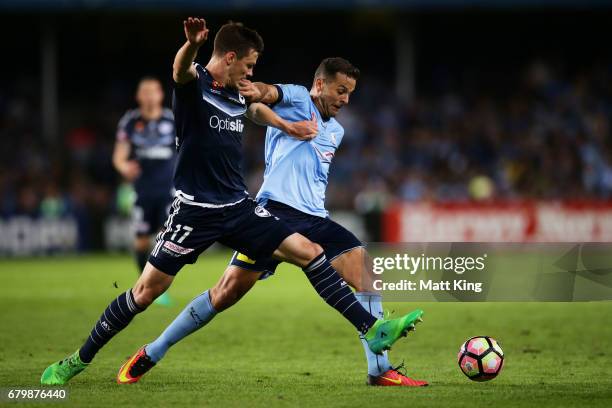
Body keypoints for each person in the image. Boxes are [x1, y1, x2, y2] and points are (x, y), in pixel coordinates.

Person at [41, 17, 420, 386]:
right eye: (249, 65)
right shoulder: (197, 86)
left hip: (239, 207)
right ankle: (78, 360)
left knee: (309, 251)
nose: (251, 74)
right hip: (194, 210)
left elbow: (255, 106)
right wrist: (192, 44)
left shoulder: (239, 94)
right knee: (146, 293)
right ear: (229, 58)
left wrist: (284, 126)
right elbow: (181, 71)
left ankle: (372, 330)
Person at [118, 57, 427, 387]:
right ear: (320, 84)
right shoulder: (297, 98)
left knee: (368, 276)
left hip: (314, 218)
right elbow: (263, 98)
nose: (345, 99)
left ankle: (379, 370)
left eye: (350, 93)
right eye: (340, 90)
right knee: (225, 293)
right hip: (273, 215)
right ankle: (153, 350)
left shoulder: (336, 130)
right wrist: (260, 94)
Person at [112, 77, 176, 306]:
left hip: (169, 191)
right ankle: (143, 282)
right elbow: (118, 156)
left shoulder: (172, 118)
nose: (149, 97)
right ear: (139, 97)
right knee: (140, 242)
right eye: (144, 92)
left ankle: (159, 287)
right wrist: (123, 166)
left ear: (160, 95)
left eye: (153, 92)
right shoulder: (130, 121)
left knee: (164, 240)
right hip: (141, 191)